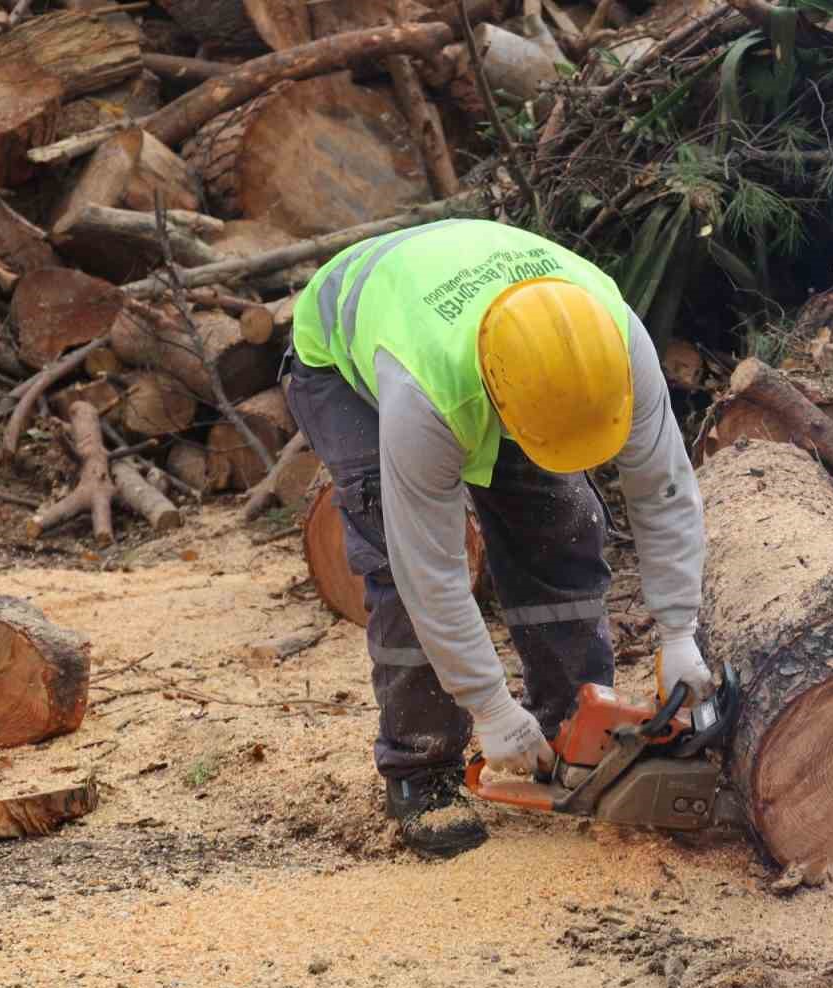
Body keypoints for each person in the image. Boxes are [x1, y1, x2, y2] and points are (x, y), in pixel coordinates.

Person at [285, 218, 713, 858]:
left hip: (503, 325)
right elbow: (427, 568)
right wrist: (488, 704)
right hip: (344, 361)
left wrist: (679, 630)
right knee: (397, 567)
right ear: (498, 395)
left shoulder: (621, 344)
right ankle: (421, 772)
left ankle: (571, 727)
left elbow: (664, 488)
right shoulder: (423, 396)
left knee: (562, 522)